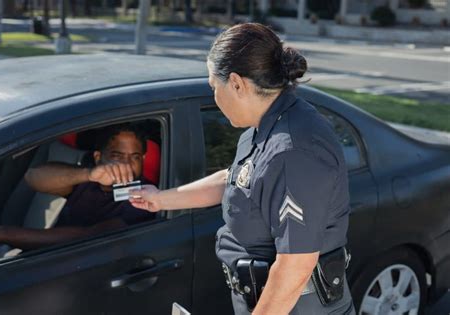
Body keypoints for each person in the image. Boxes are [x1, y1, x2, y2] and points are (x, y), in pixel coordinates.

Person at [129, 23, 355, 315]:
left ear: (236, 83)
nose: (214, 97)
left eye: (213, 87)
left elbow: (295, 265)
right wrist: (160, 199)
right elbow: (237, 180)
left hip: (295, 307)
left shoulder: (293, 152)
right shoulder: (265, 125)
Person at [0, 123, 155, 253]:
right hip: (44, 256)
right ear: (98, 157)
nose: (126, 164)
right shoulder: (90, 175)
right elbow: (33, 177)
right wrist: (89, 174)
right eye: (117, 155)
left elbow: (87, 236)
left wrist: (0, 233)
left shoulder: (145, 196)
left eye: (135, 157)